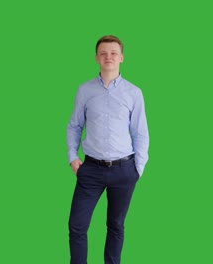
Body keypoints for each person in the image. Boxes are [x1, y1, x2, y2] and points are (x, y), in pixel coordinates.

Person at [66, 35, 149, 264]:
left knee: (115, 225)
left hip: (124, 169)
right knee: (77, 226)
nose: (108, 57)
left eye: (113, 53)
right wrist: (73, 157)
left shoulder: (134, 93)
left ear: (121, 57)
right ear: (96, 58)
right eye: (103, 53)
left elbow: (140, 132)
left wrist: (138, 168)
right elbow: (74, 126)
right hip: (90, 169)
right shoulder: (84, 90)